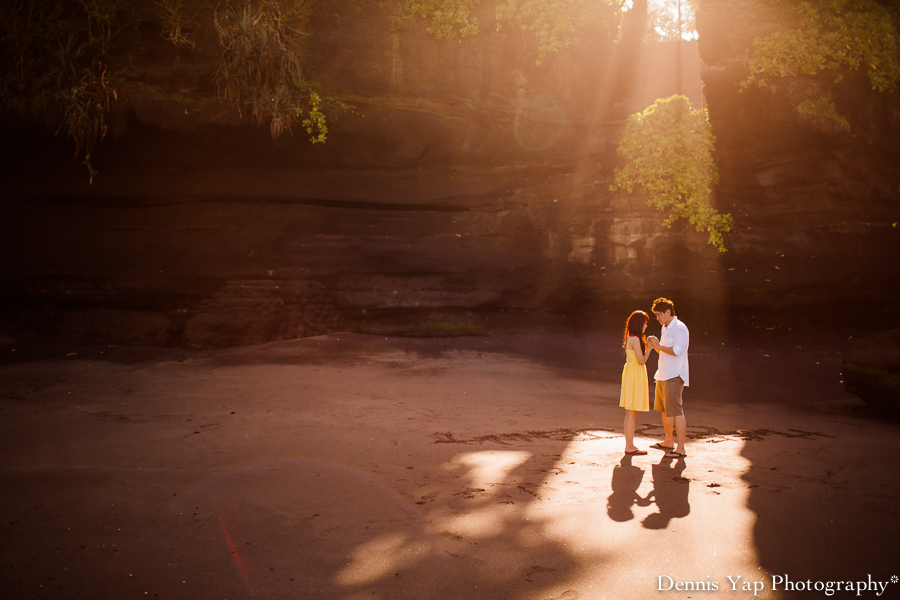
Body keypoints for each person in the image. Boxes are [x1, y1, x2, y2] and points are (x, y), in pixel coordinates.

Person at [647, 297, 689, 459]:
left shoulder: (679, 328)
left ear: (668, 312)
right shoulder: (665, 327)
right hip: (663, 374)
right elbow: (664, 350)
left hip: (674, 374)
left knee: (676, 411)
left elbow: (677, 351)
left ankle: (681, 448)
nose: (657, 318)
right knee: (665, 410)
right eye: (656, 315)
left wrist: (658, 346)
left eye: (659, 314)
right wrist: (655, 345)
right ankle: (668, 441)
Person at [619, 310, 654, 455]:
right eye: (645, 323)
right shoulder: (634, 339)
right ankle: (629, 446)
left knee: (630, 413)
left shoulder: (630, 338)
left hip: (631, 373)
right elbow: (642, 360)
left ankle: (629, 444)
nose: (646, 326)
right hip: (635, 374)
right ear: (640, 324)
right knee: (632, 412)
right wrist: (650, 348)